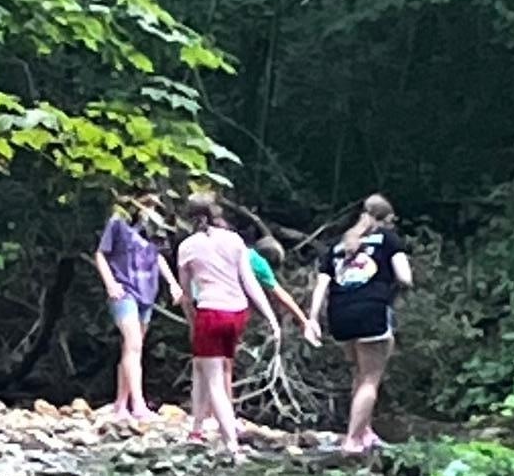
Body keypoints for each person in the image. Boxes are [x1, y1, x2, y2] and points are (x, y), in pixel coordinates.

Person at [173, 190, 306, 459]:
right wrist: (271, 318)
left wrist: (190, 315)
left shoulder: (186, 247)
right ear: (217, 213)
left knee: (214, 381)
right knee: (204, 366)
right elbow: (250, 282)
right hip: (237, 314)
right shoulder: (234, 241)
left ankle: (231, 443)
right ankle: (197, 429)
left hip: (210, 313)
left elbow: (186, 294)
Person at [309, 192, 414, 454]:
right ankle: (352, 440)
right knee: (370, 378)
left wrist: (312, 318)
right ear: (387, 220)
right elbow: (405, 277)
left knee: (359, 372)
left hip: (340, 315)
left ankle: (364, 430)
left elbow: (321, 284)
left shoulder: (338, 245)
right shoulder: (389, 240)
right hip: (371, 312)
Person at [92, 195, 165, 421]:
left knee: (132, 348)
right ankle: (139, 404)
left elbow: (157, 257)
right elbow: (100, 254)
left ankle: (121, 404)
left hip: (147, 292)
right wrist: (110, 284)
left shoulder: (155, 228)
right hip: (124, 291)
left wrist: (173, 284)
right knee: (133, 344)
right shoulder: (118, 222)